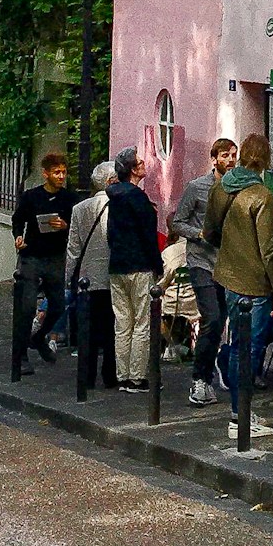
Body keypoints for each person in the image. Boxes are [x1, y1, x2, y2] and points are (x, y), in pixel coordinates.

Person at [206, 131, 273, 441]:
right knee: (250, 347)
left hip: (229, 274)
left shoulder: (220, 187)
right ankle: (240, 414)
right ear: (265, 160)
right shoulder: (261, 195)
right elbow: (268, 248)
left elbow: (210, 231)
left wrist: (229, 249)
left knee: (237, 341)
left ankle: (238, 411)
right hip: (255, 282)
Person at [169, 135, 237, 406]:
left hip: (227, 262)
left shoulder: (238, 188)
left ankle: (213, 370)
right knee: (211, 317)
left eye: (233, 155)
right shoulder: (197, 187)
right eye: (225, 156)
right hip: (201, 261)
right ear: (214, 159)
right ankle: (199, 379)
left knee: (221, 321)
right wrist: (198, 234)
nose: (230, 160)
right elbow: (177, 222)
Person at [9, 149, 77, 368]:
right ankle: (21, 356)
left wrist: (65, 226)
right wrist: (18, 237)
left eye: (63, 172)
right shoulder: (31, 197)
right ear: (45, 174)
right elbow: (18, 220)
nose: (61, 176)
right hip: (32, 256)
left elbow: (75, 228)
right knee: (27, 306)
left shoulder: (69, 199)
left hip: (55, 257)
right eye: (56, 172)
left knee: (57, 305)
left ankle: (38, 337)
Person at [105, 146, 165, 396]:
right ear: (132, 169)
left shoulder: (114, 198)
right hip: (139, 264)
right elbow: (147, 236)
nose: (143, 164)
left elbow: (110, 234)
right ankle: (137, 377)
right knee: (141, 322)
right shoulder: (138, 199)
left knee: (123, 322)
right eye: (139, 162)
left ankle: (123, 375)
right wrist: (157, 265)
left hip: (117, 264)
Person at [65, 160, 119, 391]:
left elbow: (73, 248)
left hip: (86, 278)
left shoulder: (79, 209)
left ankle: (86, 377)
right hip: (111, 275)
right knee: (110, 329)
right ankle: (110, 374)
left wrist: (69, 277)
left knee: (87, 330)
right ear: (110, 182)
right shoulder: (118, 205)